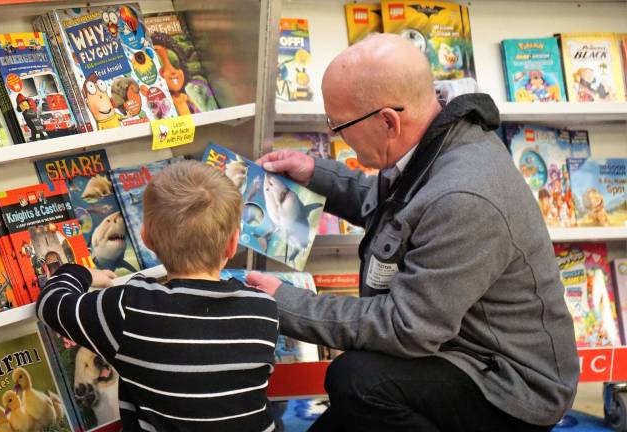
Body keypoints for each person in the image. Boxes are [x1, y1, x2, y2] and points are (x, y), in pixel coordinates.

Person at [247, 33, 579, 432]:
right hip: (458, 348)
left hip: (509, 385)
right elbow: (397, 209)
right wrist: (316, 174)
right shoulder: (437, 143)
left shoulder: (464, 195)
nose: (339, 137)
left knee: (357, 380)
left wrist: (284, 303)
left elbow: (405, 327)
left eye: (339, 126)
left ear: (388, 121)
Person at [37, 160, 278, 432]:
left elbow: (51, 304)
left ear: (146, 239)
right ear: (233, 243)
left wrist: (82, 273)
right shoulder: (263, 309)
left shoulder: (131, 307)